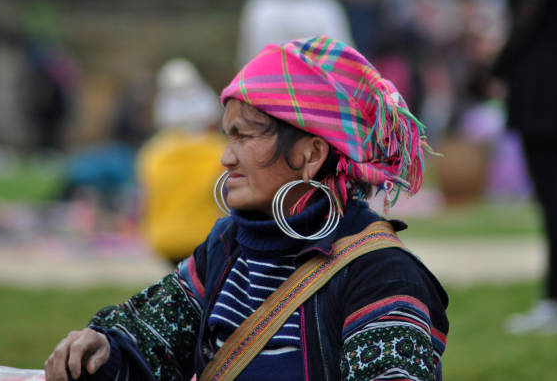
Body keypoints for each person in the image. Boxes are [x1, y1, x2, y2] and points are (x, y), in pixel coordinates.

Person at [44, 36, 449, 381]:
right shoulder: (226, 245)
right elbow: (151, 342)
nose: (225, 158)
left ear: (311, 153)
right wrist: (102, 350)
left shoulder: (382, 275)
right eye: (227, 136)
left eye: (244, 136)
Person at [492, 0, 557, 334]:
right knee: (554, 201)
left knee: (551, 202)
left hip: (543, 96)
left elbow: (525, 22)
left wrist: (497, 67)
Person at [137, 58, 226, 263]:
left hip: (163, 240)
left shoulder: (153, 152)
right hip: (206, 238)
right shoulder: (217, 150)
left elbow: (145, 201)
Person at [235, 0, 355, 69]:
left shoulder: (260, 4)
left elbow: (245, 57)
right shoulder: (324, 7)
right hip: (315, 95)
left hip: (260, 92)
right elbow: (344, 61)